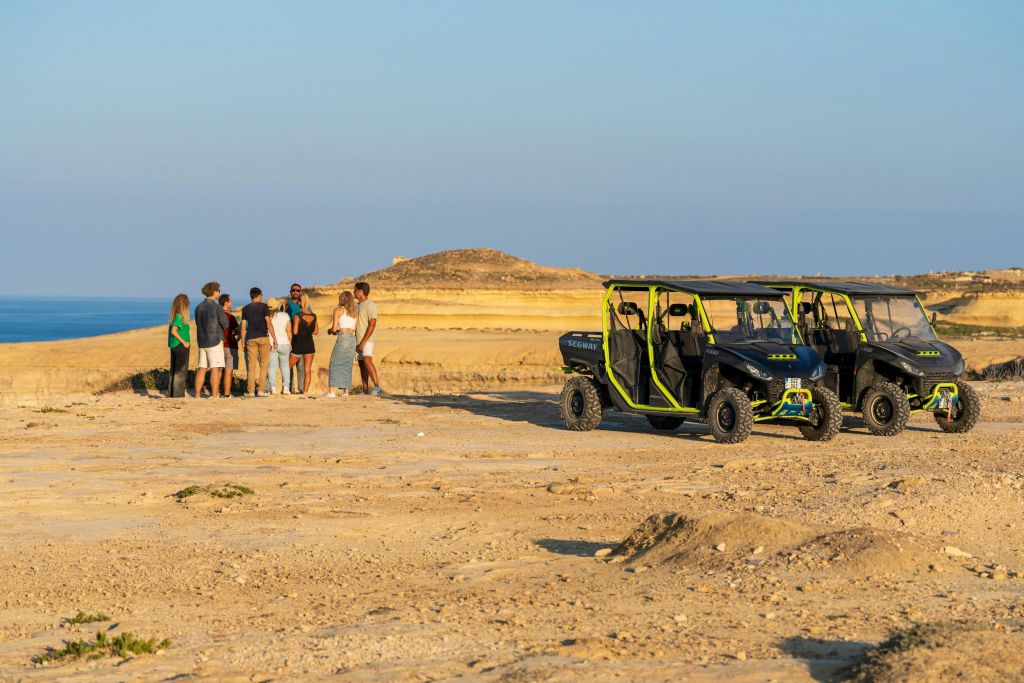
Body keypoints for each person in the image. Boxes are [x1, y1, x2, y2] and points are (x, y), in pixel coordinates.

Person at [194, 282, 228, 398]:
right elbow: (225, 324)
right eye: (219, 290)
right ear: (214, 292)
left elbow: (197, 323)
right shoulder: (216, 307)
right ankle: (214, 396)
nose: (219, 292)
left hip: (202, 341)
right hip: (215, 341)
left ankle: (197, 395)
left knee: (202, 369)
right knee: (215, 369)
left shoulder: (198, 307)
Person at [240, 286, 277, 397]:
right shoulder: (264, 306)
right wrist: (274, 339)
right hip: (263, 337)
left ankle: (251, 391)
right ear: (259, 295)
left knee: (251, 366)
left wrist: (242, 342)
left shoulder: (245, 308)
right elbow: (268, 323)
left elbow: (243, 327)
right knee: (264, 364)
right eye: (261, 295)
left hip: (250, 338)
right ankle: (261, 390)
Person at [326, 291, 358, 397]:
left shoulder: (338, 310)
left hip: (343, 337)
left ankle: (331, 392)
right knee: (347, 364)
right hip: (352, 338)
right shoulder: (355, 313)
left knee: (334, 363)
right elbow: (355, 328)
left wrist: (330, 330)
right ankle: (346, 391)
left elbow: (334, 328)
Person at [354, 281, 381, 395]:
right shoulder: (356, 306)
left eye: (355, 290)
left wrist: (364, 341)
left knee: (367, 360)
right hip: (357, 340)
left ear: (360, 291)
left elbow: (372, 324)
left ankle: (377, 387)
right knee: (362, 364)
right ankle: (365, 390)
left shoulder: (371, 305)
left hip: (367, 339)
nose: (353, 292)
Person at [289, 294, 318, 398]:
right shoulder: (314, 316)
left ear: (300, 302)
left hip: (298, 345)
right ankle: (305, 393)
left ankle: (286, 388)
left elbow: (295, 332)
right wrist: (307, 331)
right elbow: (316, 331)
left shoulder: (298, 315)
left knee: (287, 366)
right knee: (307, 371)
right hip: (310, 345)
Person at [266, 299, 292, 395]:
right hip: (284, 343)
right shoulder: (285, 315)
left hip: (272, 343)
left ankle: (273, 388)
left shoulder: (267, 317)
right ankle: (286, 388)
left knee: (272, 367)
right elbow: (289, 331)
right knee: (285, 366)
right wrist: (290, 343)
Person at [167, 294, 191, 398]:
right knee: (181, 371)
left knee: (174, 370)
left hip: (175, 346)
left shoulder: (175, 316)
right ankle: (178, 394)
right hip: (180, 346)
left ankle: (172, 393)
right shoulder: (179, 317)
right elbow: (174, 331)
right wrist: (184, 342)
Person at [219, 293, 240, 397]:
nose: (231, 302)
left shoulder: (216, 316)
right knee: (228, 370)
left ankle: (215, 392)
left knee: (217, 370)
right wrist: (237, 337)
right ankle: (227, 393)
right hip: (229, 346)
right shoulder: (230, 317)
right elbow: (238, 331)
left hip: (218, 346)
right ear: (226, 302)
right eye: (230, 301)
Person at [286, 283, 304, 393]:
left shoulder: (304, 305)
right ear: (290, 292)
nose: (295, 292)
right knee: (289, 364)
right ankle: (290, 387)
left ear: (300, 292)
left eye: (297, 290)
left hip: (301, 338)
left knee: (301, 365)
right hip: (289, 338)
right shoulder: (286, 305)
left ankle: (301, 388)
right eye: (293, 290)